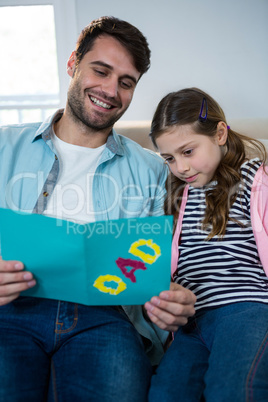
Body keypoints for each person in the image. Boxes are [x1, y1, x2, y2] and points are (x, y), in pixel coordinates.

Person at [0, 17, 196, 402]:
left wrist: (171, 298)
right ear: (73, 63)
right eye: (101, 71)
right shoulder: (6, 146)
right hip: (10, 310)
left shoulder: (155, 169)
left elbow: (163, 261)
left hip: (107, 316)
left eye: (126, 82)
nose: (110, 90)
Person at [148, 87, 268, 401]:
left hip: (246, 309)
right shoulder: (177, 195)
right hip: (190, 325)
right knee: (165, 394)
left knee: (233, 390)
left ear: (219, 133)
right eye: (170, 158)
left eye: (188, 152)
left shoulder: (255, 178)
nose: (181, 167)